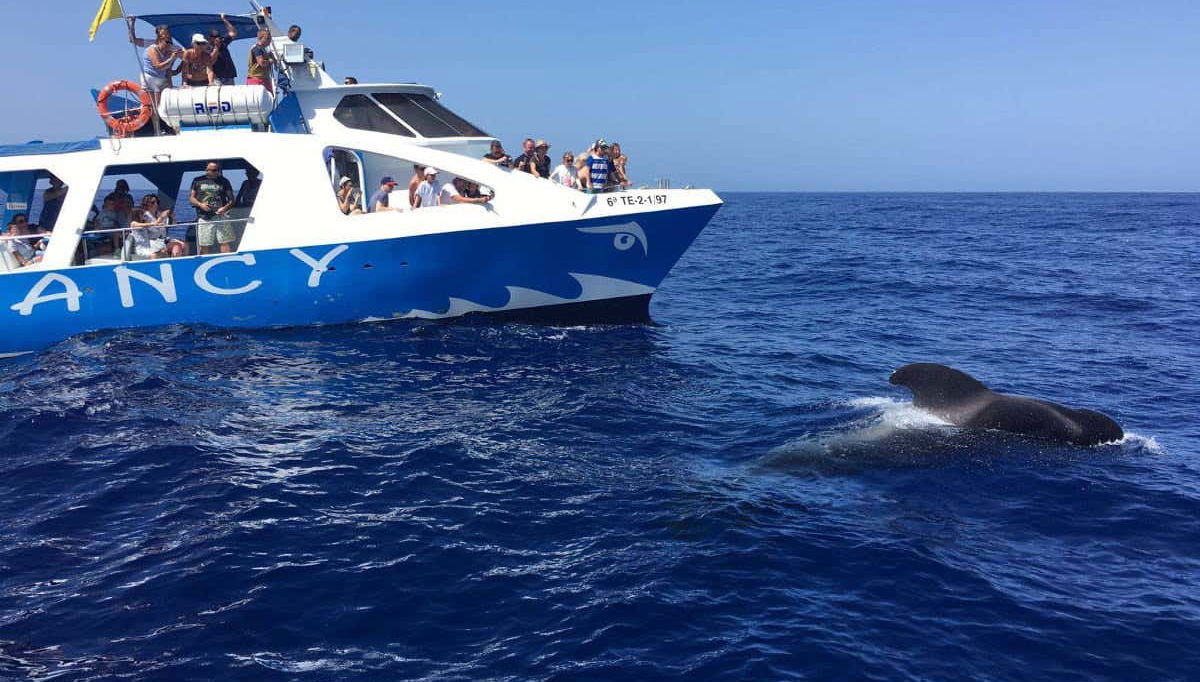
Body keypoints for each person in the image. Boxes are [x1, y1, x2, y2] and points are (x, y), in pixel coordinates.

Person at [129, 22, 182, 104]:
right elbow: (133, 40)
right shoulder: (152, 46)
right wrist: (132, 25)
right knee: (152, 104)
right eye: (163, 34)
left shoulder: (172, 47)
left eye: (167, 33)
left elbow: (187, 57)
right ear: (159, 36)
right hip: (150, 78)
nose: (166, 36)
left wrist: (179, 69)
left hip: (162, 79)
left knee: (164, 102)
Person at [190, 161, 236, 254]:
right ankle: (204, 262)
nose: (216, 172)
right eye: (214, 170)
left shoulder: (224, 181)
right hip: (204, 217)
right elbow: (191, 198)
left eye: (217, 170)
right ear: (207, 170)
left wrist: (225, 208)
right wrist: (200, 205)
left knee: (224, 242)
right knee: (204, 244)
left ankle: (226, 261)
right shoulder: (197, 180)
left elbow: (231, 199)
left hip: (221, 216)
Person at [130, 194, 182, 259]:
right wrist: (161, 218)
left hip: (162, 240)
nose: (155, 204)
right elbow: (151, 227)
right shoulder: (144, 216)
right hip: (152, 242)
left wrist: (171, 217)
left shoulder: (159, 213)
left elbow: (171, 224)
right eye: (153, 202)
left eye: (156, 202)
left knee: (181, 245)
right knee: (165, 250)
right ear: (147, 204)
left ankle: (176, 263)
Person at [208, 14, 239, 85]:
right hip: (217, 77)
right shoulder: (207, 47)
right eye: (214, 37)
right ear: (210, 38)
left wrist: (224, 19)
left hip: (229, 76)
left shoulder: (222, 42)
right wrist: (216, 47)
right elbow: (211, 60)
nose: (216, 38)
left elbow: (233, 32)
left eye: (217, 37)